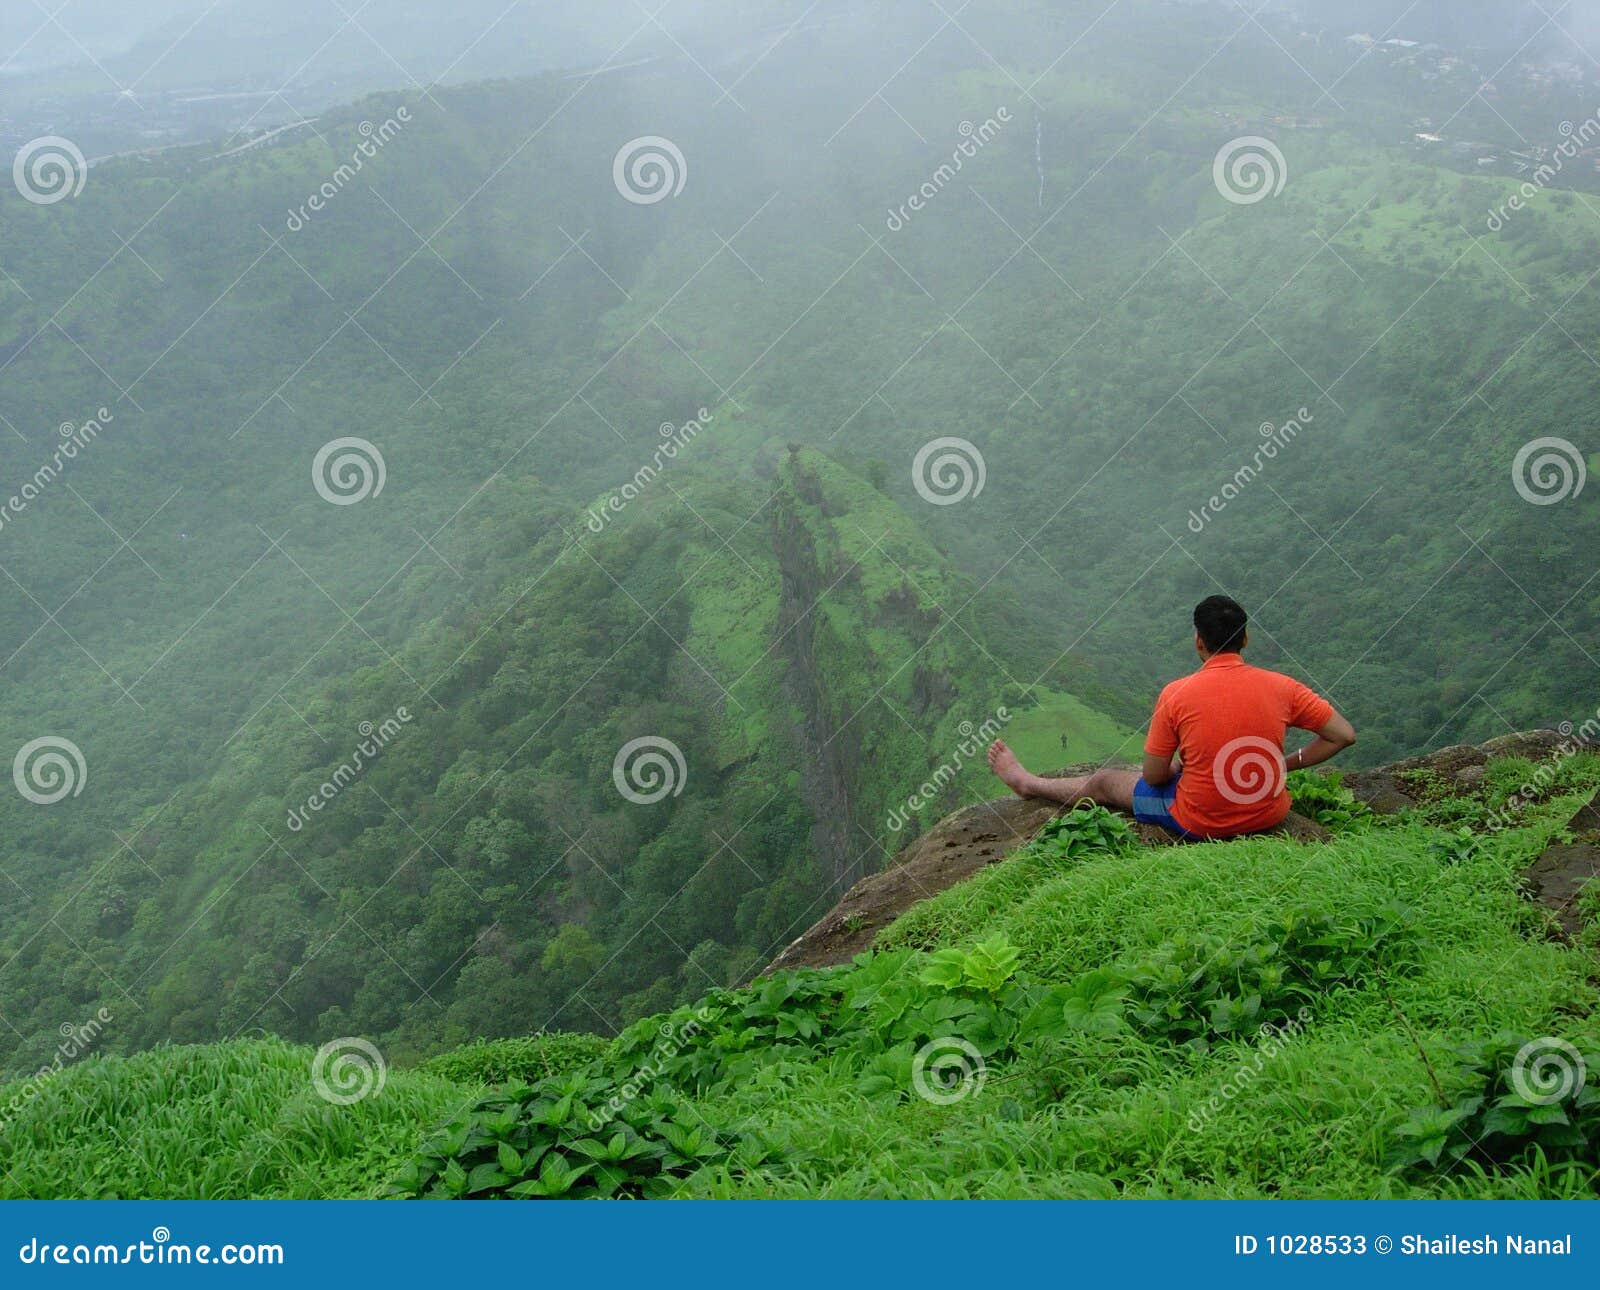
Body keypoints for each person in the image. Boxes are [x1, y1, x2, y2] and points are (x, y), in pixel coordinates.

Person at [987, 595, 1356, 840]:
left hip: (1199, 820)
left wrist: (1181, 768)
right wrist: (1277, 766)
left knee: (1104, 782)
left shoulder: (1177, 693)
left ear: (1198, 641)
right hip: (1269, 812)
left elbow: (1153, 776)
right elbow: (1342, 734)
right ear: (1246, 640)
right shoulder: (1283, 687)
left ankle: (1027, 783)